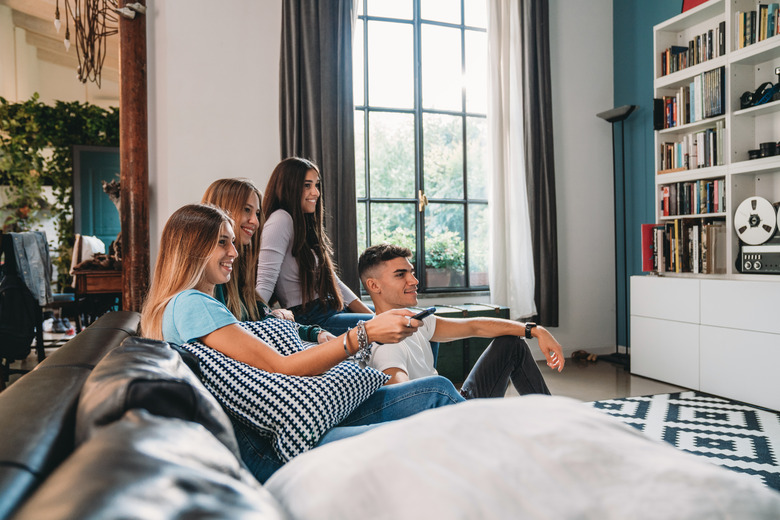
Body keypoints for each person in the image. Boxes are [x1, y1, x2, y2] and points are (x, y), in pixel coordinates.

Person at [140, 204, 464, 482]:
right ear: (193, 248)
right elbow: (283, 368)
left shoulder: (178, 307)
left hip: (286, 424)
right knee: (435, 393)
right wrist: (364, 334)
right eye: (222, 242)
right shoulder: (192, 305)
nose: (234, 252)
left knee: (434, 392)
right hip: (284, 440)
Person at [357, 243, 565, 399]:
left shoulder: (415, 320)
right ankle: (551, 422)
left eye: (411, 272)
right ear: (374, 286)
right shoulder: (386, 346)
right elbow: (402, 401)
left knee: (512, 344)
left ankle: (550, 415)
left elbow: (475, 325)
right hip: (445, 418)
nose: (414, 280)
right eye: (400, 275)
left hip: (454, 402)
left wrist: (535, 330)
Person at [201, 178, 331, 343]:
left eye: (256, 213)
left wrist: (315, 333)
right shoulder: (213, 275)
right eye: (247, 210)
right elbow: (238, 332)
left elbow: (259, 314)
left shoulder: (240, 269)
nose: (255, 221)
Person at [256, 157, 373, 336]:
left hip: (328, 307)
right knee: (402, 322)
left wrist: (373, 315)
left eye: (316, 185)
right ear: (289, 187)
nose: (316, 192)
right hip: (310, 318)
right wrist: (248, 323)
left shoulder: (302, 222)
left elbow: (334, 281)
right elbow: (265, 283)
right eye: (307, 185)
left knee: (409, 317)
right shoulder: (280, 220)